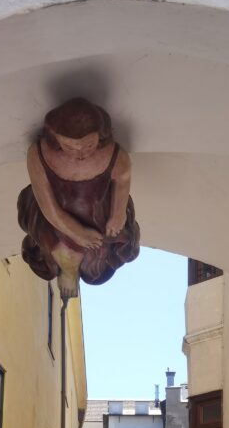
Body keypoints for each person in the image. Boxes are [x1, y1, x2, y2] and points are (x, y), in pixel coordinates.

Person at [17, 97, 141, 299]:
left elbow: (123, 180)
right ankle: (67, 264)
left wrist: (117, 216)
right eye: (70, 147)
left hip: (97, 209)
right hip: (57, 213)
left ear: (100, 136)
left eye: (88, 145)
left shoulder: (115, 155)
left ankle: (73, 259)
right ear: (56, 139)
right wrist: (77, 232)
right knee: (52, 234)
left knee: (100, 258)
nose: (81, 153)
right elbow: (49, 208)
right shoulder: (39, 154)